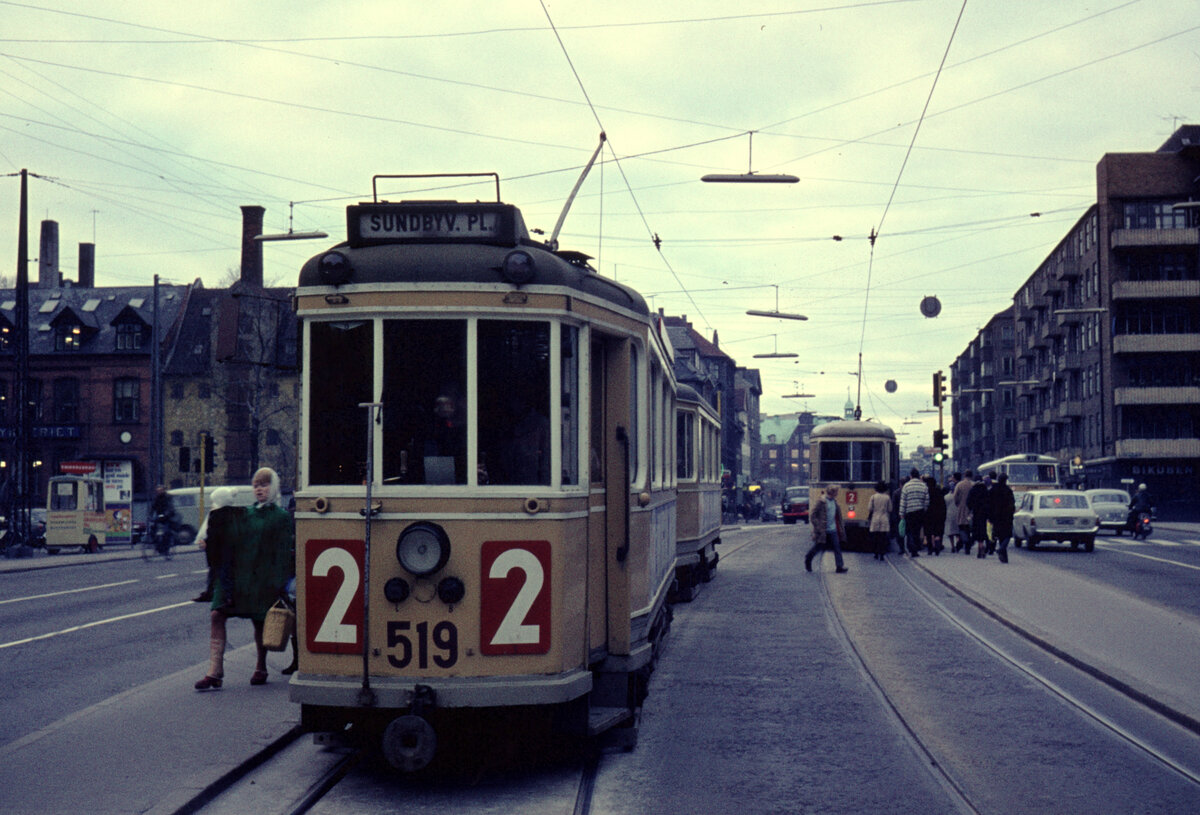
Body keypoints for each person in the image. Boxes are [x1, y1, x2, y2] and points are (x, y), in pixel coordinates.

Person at [195, 468, 294, 691]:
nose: (259, 488)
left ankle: (261, 666)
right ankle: (215, 670)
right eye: (256, 484)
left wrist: (278, 582)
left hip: (261, 578)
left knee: (259, 622)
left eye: (264, 484)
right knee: (216, 614)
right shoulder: (245, 513)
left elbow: (282, 552)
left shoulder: (281, 517)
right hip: (236, 577)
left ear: (274, 487)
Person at [191, 487, 239, 607]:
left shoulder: (219, 515)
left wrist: (207, 543)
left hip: (221, 552)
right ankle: (211, 592)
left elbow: (216, 535)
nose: (212, 504)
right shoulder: (225, 514)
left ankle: (228, 598)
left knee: (224, 575)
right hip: (220, 552)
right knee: (214, 573)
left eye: (214, 501)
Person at [805, 484, 848, 574]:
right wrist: (818, 526)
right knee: (819, 547)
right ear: (832, 492)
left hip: (833, 529)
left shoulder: (834, 502)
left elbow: (837, 516)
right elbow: (813, 515)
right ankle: (808, 558)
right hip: (823, 530)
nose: (837, 493)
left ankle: (839, 566)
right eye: (836, 492)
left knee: (837, 547)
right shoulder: (821, 502)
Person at [898, 469, 928, 558]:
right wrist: (924, 510)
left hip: (909, 512)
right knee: (917, 531)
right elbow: (926, 501)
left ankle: (912, 548)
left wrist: (901, 513)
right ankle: (915, 548)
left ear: (911, 476)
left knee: (909, 531)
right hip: (920, 512)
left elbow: (903, 501)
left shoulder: (906, 486)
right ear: (918, 476)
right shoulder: (923, 486)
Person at [989, 473, 1016, 563]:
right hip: (1006, 516)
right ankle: (1001, 550)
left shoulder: (993, 489)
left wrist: (990, 516)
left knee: (1000, 536)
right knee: (1007, 535)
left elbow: (989, 504)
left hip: (996, 516)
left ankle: (1004, 557)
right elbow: (1012, 504)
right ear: (1005, 480)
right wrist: (1011, 513)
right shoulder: (1008, 490)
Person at [966, 473, 993, 558]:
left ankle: (979, 547)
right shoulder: (985, 490)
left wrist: (971, 509)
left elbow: (968, 502)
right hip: (984, 514)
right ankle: (982, 547)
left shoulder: (973, 490)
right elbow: (989, 502)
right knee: (983, 530)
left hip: (976, 513)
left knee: (976, 530)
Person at [866, 480, 892, 561]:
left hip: (875, 518)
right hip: (884, 518)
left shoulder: (873, 497)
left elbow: (869, 508)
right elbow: (890, 509)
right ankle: (882, 554)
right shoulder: (887, 497)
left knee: (876, 537)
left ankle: (876, 553)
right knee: (883, 537)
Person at [923, 476, 947, 555]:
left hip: (928, 515)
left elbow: (925, 504)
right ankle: (937, 542)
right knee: (938, 531)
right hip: (939, 515)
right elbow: (943, 505)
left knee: (929, 532)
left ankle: (930, 548)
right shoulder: (939, 491)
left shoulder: (926, 492)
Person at [953, 470, 975, 553]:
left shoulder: (959, 484)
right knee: (969, 528)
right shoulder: (973, 485)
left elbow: (955, 497)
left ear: (964, 475)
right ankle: (966, 545)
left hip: (961, 508)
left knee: (962, 527)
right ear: (971, 476)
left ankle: (965, 542)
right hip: (971, 510)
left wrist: (958, 504)